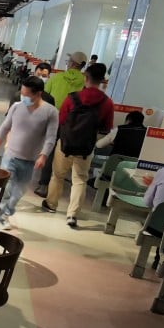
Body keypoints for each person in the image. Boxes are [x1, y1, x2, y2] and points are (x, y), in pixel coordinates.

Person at [42, 63, 114, 228]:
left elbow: (61, 120)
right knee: (80, 179)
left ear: (86, 77)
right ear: (103, 80)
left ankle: (51, 204)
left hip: (65, 143)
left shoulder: (72, 97)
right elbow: (106, 127)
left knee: (58, 175)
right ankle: (72, 215)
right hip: (86, 147)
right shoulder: (107, 103)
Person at [0, 76, 58, 226]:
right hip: (10, 156)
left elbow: (51, 137)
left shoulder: (50, 112)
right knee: (7, 188)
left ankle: (6, 212)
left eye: (26, 95)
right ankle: (2, 217)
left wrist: (43, 155)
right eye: (22, 93)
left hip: (31, 160)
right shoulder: (16, 107)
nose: (23, 97)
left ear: (38, 93)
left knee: (19, 192)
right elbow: (4, 128)